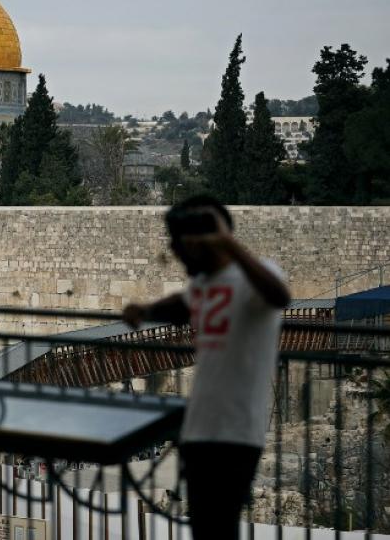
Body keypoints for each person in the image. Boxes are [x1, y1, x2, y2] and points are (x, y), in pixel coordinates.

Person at [121, 195, 290, 540]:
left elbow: (280, 296)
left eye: (180, 247)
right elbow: (182, 304)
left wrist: (228, 243)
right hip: (199, 428)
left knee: (219, 529)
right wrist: (145, 310)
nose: (177, 255)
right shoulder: (205, 284)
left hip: (237, 430)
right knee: (205, 529)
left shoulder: (256, 278)